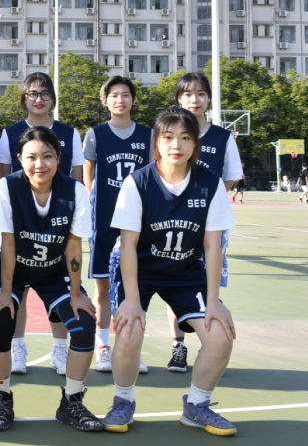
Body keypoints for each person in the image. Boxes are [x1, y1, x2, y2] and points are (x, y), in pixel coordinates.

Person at [102, 107, 237, 436]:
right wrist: (131, 300)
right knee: (129, 331)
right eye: (168, 137)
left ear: (195, 144)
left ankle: (197, 406)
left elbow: (212, 246)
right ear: (157, 142)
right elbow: (128, 245)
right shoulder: (138, 182)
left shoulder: (210, 183)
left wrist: (214, 301)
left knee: (220, 337)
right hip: (140, 269)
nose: (176, 144)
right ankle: (122, 401)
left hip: (186, 270)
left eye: (185, 138)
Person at [0, 126, 104, 433]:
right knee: (0, 320)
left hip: (53, 270)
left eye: (47, 156)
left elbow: (74, 246)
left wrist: (76, 293)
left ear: (58, 158)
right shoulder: (7, 187)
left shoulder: (74, 191)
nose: (40, 164)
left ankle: (71, 402)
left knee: (83, 324)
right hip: (12, 267)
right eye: (32, 157)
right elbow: (7, 243)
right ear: (20, 159)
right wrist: (6, 292)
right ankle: (2, 398)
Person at [0, 72, 84, 376]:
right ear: (24, 98)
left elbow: (76, 177)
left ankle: (59, 349)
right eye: (32, 93)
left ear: (52, 98)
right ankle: (17, 346)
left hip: (57, 221)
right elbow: (4, 177)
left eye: (45, 93)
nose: (39, 99)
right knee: (17, 289)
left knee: (58, 287)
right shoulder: (10, 133)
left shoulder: (69, 133)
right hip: (23, 222)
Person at [82, 76, 152, 374]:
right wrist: (91, 207)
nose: (120, 100)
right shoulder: (95, 134)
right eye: (114, 95)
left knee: (134, 290)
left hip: (138, 223)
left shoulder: (149, 135)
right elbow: (87, 176)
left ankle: (131, 348)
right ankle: (102, 347)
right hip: (104, 221)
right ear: (105, 101)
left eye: (125, 95)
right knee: (103, 289)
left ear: (133, 99)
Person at [171, 72, 241, 373]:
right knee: (174, 281)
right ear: (179, 99)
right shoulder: (169, 135)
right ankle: (178, 346)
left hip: (210, 224)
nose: (194, 99)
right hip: (175, 223)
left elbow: (231, 177)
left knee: (208, 282)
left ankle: (207, 343)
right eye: (188, 94)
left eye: (200, 93)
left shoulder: (222, 137)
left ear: (208, 98)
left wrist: (208, 203)